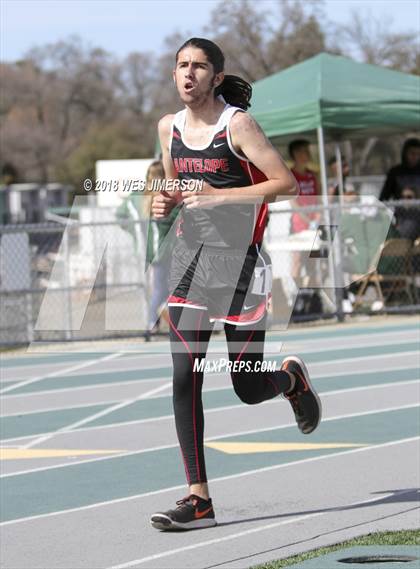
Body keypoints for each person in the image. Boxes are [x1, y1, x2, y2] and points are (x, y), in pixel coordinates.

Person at [150, 37, 322, 531]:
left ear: (216, 77)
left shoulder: (237, 124)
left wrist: (221, 198)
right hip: (190, 267)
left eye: (199, 67)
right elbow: (175, 189)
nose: (188, 74)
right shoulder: (168, 128)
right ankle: (198, 497)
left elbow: (284, 183)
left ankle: (290, 379)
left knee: (247, 388)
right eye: (181, 65)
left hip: (241, 268)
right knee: (186, 375)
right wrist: (164, 203)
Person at [288, 139, 320, 281]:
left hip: (315, 224)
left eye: (307, 151)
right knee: (297, 261)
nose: (306, 154)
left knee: (313, 262)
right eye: (303, 151)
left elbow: (319, 199)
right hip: (298, 225)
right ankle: (296, 295)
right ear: (295, 154)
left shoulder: (313, 175)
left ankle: (311, 295)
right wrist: (307, 220)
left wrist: (317, 218)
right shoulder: (290, 175)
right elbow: (293, 203)